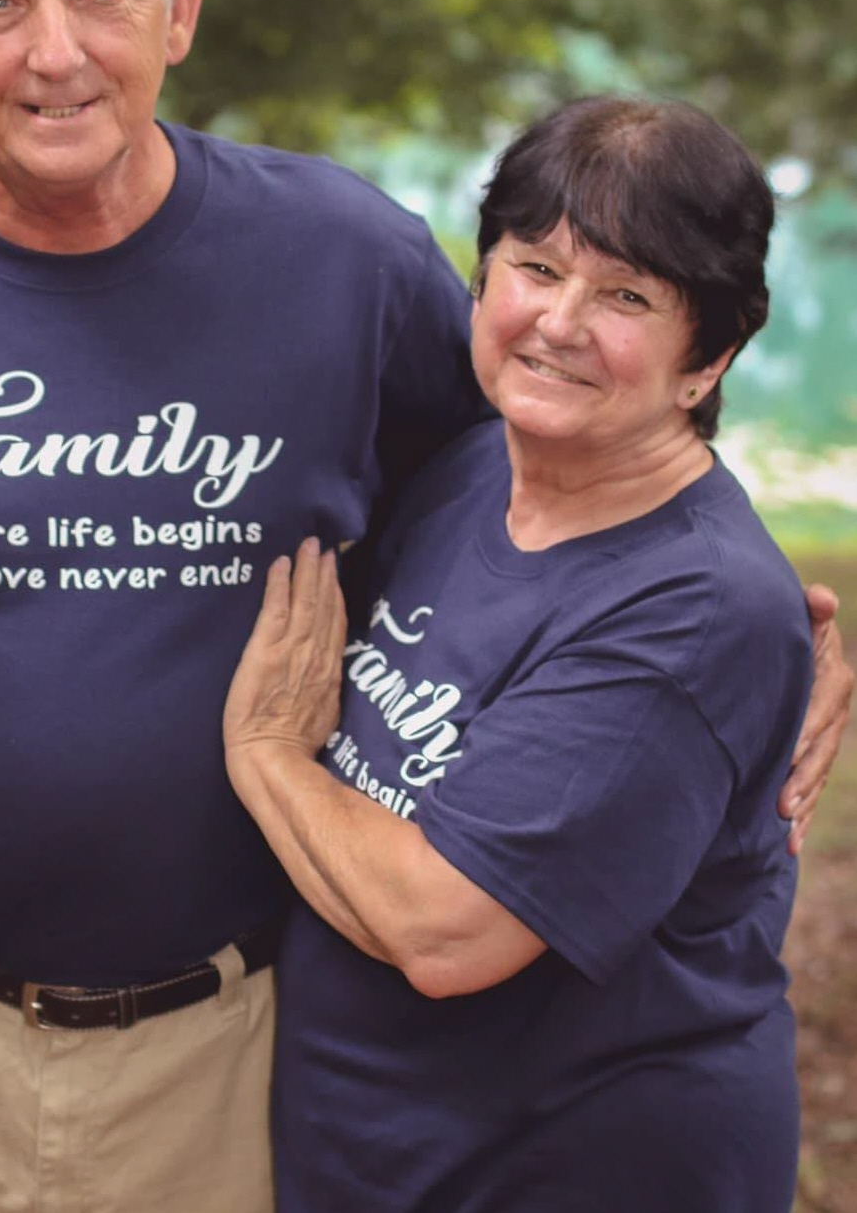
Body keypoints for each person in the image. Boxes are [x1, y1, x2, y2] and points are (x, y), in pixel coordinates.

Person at [0, 0, 846, 1209]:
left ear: (179, 7)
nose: (54, 51)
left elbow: (584, 438)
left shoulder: (341, 263)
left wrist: (776, 632)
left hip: (235, 1055)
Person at [223, 95, 839, 1212]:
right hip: (383, 1153)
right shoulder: (468, 473)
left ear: (708, 358)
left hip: (572, 1167)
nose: (559, 322)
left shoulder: (693, 611)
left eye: (627, 296)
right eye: (536, 268)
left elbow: (445, 929)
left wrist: (269, 755)